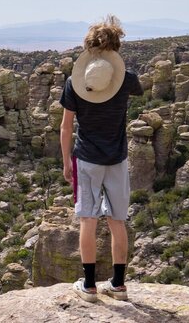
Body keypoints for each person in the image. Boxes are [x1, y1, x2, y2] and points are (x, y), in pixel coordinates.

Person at [59, 15, 143, 302]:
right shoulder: (127, 81)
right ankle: (118, 285)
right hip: (117, 160)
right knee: (118, 221)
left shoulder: (74, 82)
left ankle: (90, 285)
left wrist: (64, 162)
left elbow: (66, 127)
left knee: (88, 220)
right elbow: (136, 85)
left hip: (85, 160)